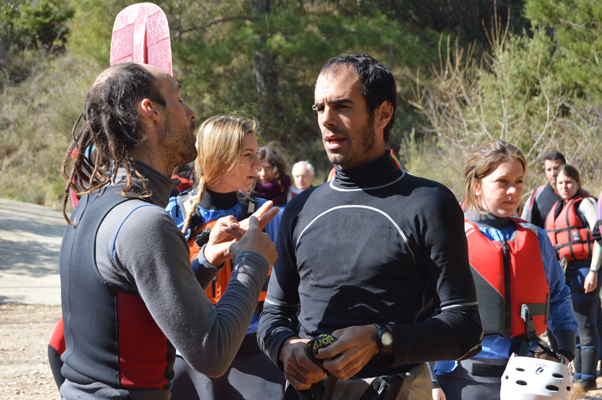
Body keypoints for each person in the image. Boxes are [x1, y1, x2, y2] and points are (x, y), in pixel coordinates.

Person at [257, 54, 483, 400]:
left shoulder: (428, 202)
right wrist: (285, 348)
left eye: (342, 106)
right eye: (319, 108)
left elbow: (465, 329)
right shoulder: (300, 208)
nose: (326, 120)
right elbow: (274, 315)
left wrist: (380, 339)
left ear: (383, 113)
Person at [58, 63, 278, 399]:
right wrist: (251, 261)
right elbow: (212, 353)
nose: (191, 113)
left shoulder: (95, 204)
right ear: (151, 112)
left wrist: (206, 261)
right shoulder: (144, 221)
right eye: (178, 98)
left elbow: (146, 304)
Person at [433, 140, 578, 400]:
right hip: (460, 379)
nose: (513, 191)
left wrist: (566, 349)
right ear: (477, 186)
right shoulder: (449, 237)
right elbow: (424, 307)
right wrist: (432, 380)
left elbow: (558, 295)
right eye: (502, 182)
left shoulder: (537, 238)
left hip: (529, 378)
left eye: (519, 181)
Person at [165, 115, 285, 399]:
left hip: (255, 350)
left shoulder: (269, 217)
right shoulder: (174, 215)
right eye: (248, 155)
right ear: (218, 157)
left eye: (257, 154)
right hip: (189, 353)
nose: (259, 165)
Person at [545, 164, 602, 393]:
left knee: (585, 325)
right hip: (564, 271)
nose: (564, 186)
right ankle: (577, 376)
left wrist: (594, 270)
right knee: (572, 324)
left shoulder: (585, 203)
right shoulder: (558, 207)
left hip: (584, 270)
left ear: (577, 183)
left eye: (569, 182)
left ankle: (587, 379)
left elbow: (599, 237)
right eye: (560, 183)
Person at [521, 151, 566, 229]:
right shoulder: (537, 196)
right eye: (549, 170)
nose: (553, 173)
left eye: (556, 168)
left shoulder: (577, 194)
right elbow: (526, 225)